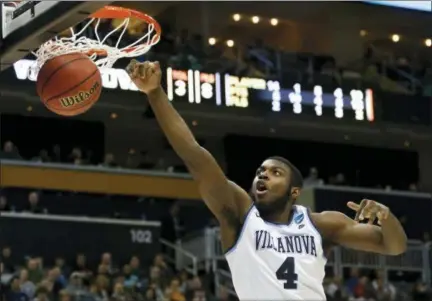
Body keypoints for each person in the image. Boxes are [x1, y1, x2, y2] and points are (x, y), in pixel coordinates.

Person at [126, 60, 407, 301]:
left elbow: (393, 246)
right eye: (261, 170)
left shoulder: (322, 224)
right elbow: (193, 154)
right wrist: (155, 93)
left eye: (275, 172)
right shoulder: (238, 214)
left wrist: (387, 216)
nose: (263, 174)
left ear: (294, 191)